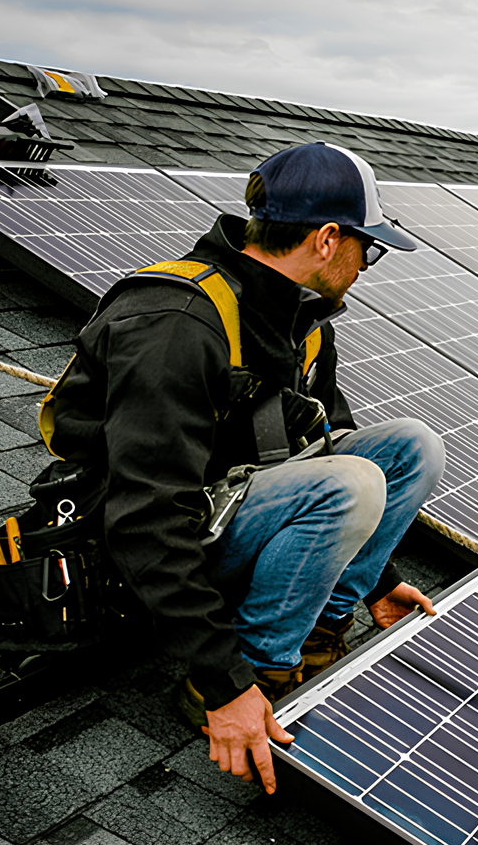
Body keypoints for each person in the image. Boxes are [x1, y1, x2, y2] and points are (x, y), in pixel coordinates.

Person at [41, 142, 445, 795]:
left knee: (412, 447)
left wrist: (376, 580)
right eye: (368, 249)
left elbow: (321, 441)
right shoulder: (177, 322)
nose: (369, 266)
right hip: (131, 550)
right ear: (326, 239)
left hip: (225, 514)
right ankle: (259, 670)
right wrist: (224, 683)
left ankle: (318, 629)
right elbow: (142, 514)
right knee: (354, 481)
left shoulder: (302, 321)